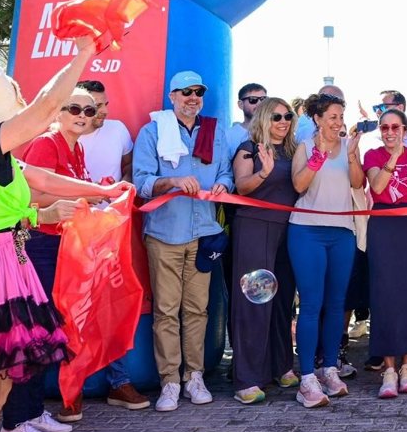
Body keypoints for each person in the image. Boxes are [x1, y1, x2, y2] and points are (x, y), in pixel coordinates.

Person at [0, 43, 126, 432]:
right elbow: (46, 108)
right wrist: (84, 53)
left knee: (0, 383)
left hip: (6, 262)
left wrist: (103, 191)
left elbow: (41, 179)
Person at [0, 88, 107, 432]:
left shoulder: (76, 147)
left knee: (48, 331)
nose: (82, 115)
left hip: (60, 244)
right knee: (35, 331)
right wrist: (86, 196)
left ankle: (32, 411)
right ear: (58, 112)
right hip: (39, 244)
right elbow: (32, 196)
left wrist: (90, 197)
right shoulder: (47, 143)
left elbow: (63, 194)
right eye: (74, 108)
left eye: (89, 110)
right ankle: (17, 419)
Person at [133, 70, 234, 413]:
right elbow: (142, 182)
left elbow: (226, 172)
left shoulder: (214, 131)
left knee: (197, 310)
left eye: (198, 92)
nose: (193, 98)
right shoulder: (152, 132)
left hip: (203, 233)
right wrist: (173, 181)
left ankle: (194, 377)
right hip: (164, 233)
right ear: (172, 96)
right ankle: (170, 382)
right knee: (165, 311)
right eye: (186, 92)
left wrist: (223, 185)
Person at [63, 78, 147, 421]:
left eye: (102, 105)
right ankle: (72, 390)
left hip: (112, 233)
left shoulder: (118, 131)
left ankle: (119, 382)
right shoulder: (64, 137)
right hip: (73, 235)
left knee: (114, 305)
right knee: (75, 311)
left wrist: (118, 192)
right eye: (91, 106)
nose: (99, 111)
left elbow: (127, 168)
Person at [288, 92, 363, 408]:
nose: (338, 122)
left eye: (341, 117)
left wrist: (352, 156)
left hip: (342, 233)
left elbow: (357, 184)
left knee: (336, 304)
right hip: (307, 231)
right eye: (332, 117)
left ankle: (329, 368)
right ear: (317, 119)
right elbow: (299, 185)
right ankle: (306, 378)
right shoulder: (305, 147)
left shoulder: (348, 146)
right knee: (311, 304)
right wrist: (318, 157)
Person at [229, 97, 300, 404]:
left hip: (289, 230)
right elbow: (241, 185)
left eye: (288, 116)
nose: (283, 122)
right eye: (276, 117)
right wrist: (264, 172)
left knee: (282, 301)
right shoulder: (249, 148)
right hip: (254, 227)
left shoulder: (295, 151)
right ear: (264, 118)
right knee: (253, 301)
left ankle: (280, 365)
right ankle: (247, 378)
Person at [363, 109, 407, 398]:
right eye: (385, 128)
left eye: (395, 127)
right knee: (385, 293)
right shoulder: (372, 155)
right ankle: (389, 369)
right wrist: (394, 156)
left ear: (404, 130)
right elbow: (378, 186)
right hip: (383, 224)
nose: (390, 132)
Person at [228, 83, 268, 152]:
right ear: (241, 104)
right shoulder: (228, 135)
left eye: (263, 99)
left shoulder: (276, 131)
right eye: (253, 99)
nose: (260, 104)